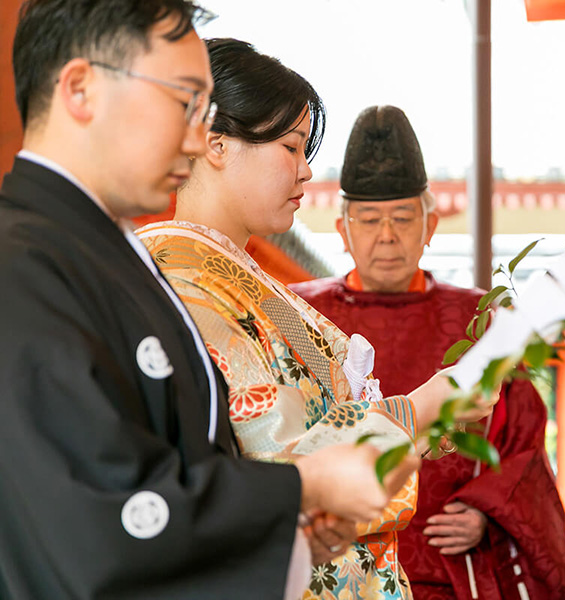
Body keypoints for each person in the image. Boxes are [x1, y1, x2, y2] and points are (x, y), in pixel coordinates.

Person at [0, 3, 417, 598]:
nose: (199, 138)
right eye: (183, 103)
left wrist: (286, 524)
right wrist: (300, 493)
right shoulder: (25, 267)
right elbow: (102, 519)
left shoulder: (104, 256)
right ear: (81, 90)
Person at [136, 39, 489, 600]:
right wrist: (419, 409)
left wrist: (421, 423)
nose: (305, 172)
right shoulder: (184, 276)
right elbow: (278, 454)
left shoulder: (233, 274)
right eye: (292, 147)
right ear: (215, 143)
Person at [290, 105, 565, 599]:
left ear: (430, 225)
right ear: (342, 230)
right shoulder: (299, 313)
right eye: (368, 219)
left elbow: (523, 445)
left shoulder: (480, 320)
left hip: (450, 573)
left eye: (403, 217)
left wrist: (486, 512)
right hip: (338, 567)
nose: (387, 235)